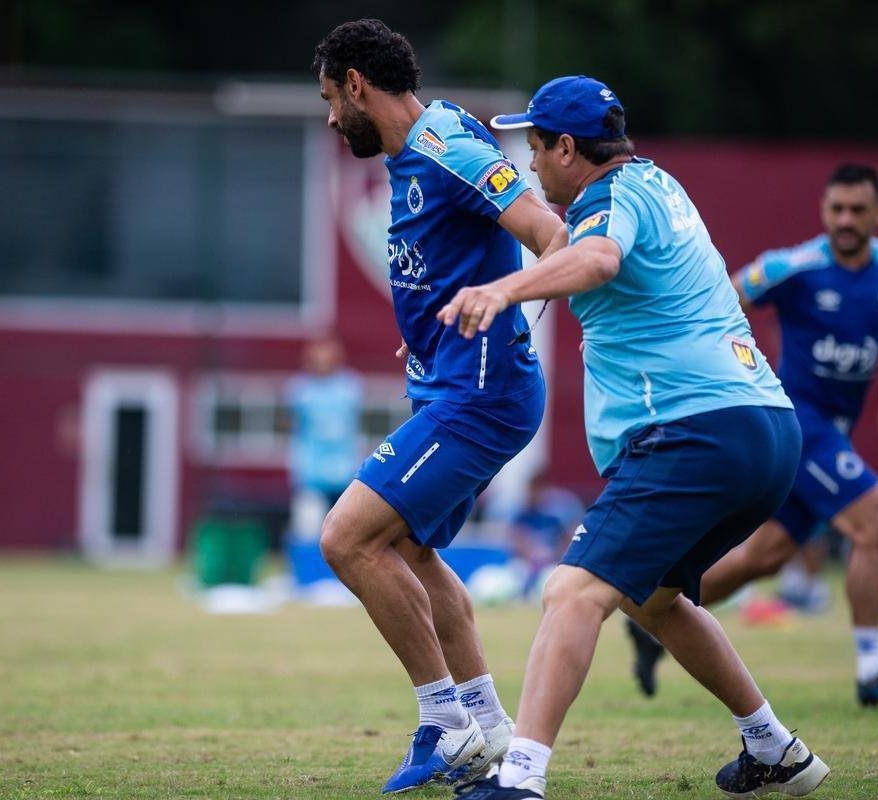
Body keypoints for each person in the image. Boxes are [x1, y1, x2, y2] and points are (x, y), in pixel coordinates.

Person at [441, 75, 828, 800]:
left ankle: (520, 777)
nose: (531, 162)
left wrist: (499, 290)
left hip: (695, 430)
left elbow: (597, 260)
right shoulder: (658, 184)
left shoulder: (607, 200)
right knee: (652, 601)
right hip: (766, 428)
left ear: (567, 147)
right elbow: (595, 262)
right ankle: (774, 747)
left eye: (536, 146)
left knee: (571, 590)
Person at [311, 19, 566, 794]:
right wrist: (430, 322)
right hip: (453, 383)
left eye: (330, 99)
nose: (331, 119)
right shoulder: (423, 140)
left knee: (346, 539)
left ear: (357, 84)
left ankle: (445, 724)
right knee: (413, 553)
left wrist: (502, 307)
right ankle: (488, 725)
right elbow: (453, 253)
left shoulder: (448, 148)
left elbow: (550, 236)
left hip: (480, 396)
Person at [629, 163, 878, 707]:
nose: (845, 220)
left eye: (857, 210)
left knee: (764, 557)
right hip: (798, 423)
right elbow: (717, 299)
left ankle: (652, 616)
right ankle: (873, 670)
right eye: (836, 209)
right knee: (876, 520)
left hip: (835, 432)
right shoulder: (793, 267)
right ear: (823, 210)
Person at [284, 336, 363, 539]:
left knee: (347, 532)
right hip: (311, 472)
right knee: (308, 531)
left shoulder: (350, 387)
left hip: (345, 471)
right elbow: (292, 427)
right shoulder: (299, 389)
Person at [505, 471, 584, 600]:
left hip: (552, 563)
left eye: (538, 489)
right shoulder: (521, 515)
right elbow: (516, 541)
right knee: (517, 571)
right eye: (532, 489)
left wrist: (554, 556)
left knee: (551, 576)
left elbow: (566, 540)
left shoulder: (555, 516)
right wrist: (531, 554)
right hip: (525, 564)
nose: (534, 494)